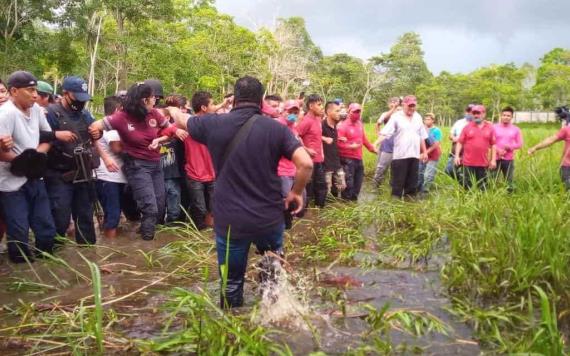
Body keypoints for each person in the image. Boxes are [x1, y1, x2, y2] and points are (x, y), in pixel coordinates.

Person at [169, 76, 313, 309]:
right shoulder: (276, 129)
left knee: (231, 282)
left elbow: (183, 119)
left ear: (234, 99)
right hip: (268, 217)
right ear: (261, 100)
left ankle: (233, 330)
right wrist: (296, 192)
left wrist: (172, 109)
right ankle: (274, 318)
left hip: (229, 221)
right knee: (272, 273)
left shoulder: (212, 124)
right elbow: (306, 164)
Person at [89, 83, 177, 241]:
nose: (155, 101)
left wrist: (160, 139)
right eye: (152, 98)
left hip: (155, 164)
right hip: (136, 166)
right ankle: (147, 246)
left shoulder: (155, 114)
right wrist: (105, 156)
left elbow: (170, 130)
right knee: (150, 208)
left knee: (159, 205)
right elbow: (94, 128)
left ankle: (143, 236)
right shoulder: (121, 117)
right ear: (144, 100)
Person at [0, 71, 56, 263]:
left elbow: (47, 137)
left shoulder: (38, 110)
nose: (35, 95)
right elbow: (1, 151)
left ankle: (47, 266)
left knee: (46, 228)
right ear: (14, 91)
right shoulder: (5, 114)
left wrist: (37, 155)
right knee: (19, 232)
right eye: (30, 90)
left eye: (36, 90)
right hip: (11, 183)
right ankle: (21, 272)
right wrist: (22, 160)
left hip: (35, 176)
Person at [44, 76, 98, 245]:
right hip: (59, 174)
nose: (80, 102)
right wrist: (56, 136)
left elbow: (94, 131)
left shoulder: (84, 113)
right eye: (77, 97)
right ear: (65, 93)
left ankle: (88, 255)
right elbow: (40, 137)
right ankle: (53, 256)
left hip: (82, 173)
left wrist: (98, 133)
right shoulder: (51, 113)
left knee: (85, 217)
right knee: (59, 217)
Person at [377, 95, 428, 198]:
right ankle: (395, 207)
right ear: (404, 105)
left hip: (414, 156)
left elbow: (421, 136)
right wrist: (375, 143)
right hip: (400, 156)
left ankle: (409, 207)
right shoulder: (396, 117)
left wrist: (425, 152)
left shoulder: (418, 117)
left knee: (412, 184)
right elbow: (385, 133)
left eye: (414, 106)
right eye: (410, 106)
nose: (412, 108)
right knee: (398, 184)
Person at [184, 91, 217, 230]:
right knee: (199, 208)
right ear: (204, 107)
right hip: (194, 173)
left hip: (212, 172)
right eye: (212, 104)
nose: (215, 107)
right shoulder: (186, 124)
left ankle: (207, 239)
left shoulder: (216, 123)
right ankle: (199, 233)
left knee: (213, 208)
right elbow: (166, 127)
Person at [95, 96, 127, 238]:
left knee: (113, 213)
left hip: (111, 176)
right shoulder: (112, 128)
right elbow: (117, 148)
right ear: (118, 110)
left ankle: (109, 241)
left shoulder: (105, 125)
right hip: (110, 176)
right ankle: (110, 247)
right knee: (113, 215)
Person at [337, 103, 376, 200]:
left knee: (358, 185)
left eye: (359, 111)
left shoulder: (359, 124)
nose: (357, 114)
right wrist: (350, 146)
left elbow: (364, 139)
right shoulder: (342, 126)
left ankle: (353, 207)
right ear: (349, 112)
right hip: (347, 160)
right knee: (348, 186)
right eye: (355, 112)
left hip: (358, 158)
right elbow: (337, 144)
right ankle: (345, 206)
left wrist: (372, 149)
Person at [454, 105, 497, 190]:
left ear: (484, 114)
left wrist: (493, 160)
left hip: (483, 163)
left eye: (478, 113)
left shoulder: (490, 128)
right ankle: (467, 202)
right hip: (468, 163)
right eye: (474, 113)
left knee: (482, 187)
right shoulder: (467, 127)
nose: (476, 115)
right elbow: (459, 143)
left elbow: (493, 144)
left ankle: (480, 202)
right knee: (467, 186)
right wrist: (457, 156)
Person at [161, 95, 188, 223]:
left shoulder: (175, 130)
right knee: (158, 206)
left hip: (173, 174)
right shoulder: (150, 132)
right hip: (157, 175)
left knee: (174, 207)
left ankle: (171, 227)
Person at [297, 94, 327, 208]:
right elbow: (296, 135)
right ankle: (303, 212)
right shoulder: (306, 121)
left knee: (321, 186)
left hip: (319, 160)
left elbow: (318, 138)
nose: (321, 107)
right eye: (319, 105)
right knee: (308, 188)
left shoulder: (318, 119)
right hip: (308, 161)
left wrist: (322, 154)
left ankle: (319, 210)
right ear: (311, 106)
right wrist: (306, 149)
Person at [528, 118, 570, 190]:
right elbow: (551, 140)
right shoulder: (567, 130)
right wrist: (535, 147)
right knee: (567, 188)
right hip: (567, 166)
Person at [493, 106, 523, 191]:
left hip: (508, 159)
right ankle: (494, 196)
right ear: (501, 116)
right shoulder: (494, 127)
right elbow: (489, 142)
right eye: (504, 115)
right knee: (492, 179)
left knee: (509, 180)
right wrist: (497, 150)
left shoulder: (516, 129)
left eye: (508, 116)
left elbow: (520, 144)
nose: (506, 117)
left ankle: (510, 197)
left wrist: (510, 147)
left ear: (511, 117)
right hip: (494, 158)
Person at [373, 97, 400, 187]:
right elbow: (380, 122)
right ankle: (376, 187)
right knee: (380, 167)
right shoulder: (386, 114)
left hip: (398, 146)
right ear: (388, 104)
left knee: (395, 169)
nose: (394, 103)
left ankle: (391, 188)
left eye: (396, 102)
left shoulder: (401, 114)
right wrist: (379, 135)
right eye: (392, 102)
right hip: (386, 145)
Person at [322, 101, 346, 197]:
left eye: (339, 110)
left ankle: (338, 208)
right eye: (337, 111)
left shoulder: (335, 125)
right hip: (326, 164)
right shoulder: (321, 125)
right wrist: (324, 138)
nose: (339, 113)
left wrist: (339, 138)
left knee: (342, 187)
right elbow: (311, 136)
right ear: (328, 112)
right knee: (327, 191)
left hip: (336, 162)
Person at [445, 104, 474, 179]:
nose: (469, 113)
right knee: (449, 170)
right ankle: (460, 181)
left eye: (472, 111)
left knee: (467, 174)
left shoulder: (476, 124)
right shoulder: (459, 122)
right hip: (455, 152)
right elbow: (451, 135)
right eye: (468, 111)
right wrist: (454, 138)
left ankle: (464, 187)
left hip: (469, 154)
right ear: (465, 112)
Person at [418, 113, 442, 193]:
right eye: (425, 119)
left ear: (433, 120)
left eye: (428, 119)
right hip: (422, 154)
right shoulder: (421, 129)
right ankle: (418, 190)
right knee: (420, 173)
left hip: (433, 155)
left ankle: (425, 191)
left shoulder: (436, 131)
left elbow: (436, 144)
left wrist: (426, 153)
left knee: (428, 175)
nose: (426, 121)